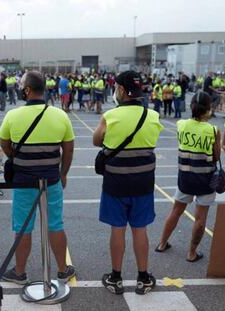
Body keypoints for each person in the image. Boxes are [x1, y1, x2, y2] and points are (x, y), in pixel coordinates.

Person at [0, 71, 76, 285]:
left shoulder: (12, 116)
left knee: (23, 227)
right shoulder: (60, 115)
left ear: (27, 90)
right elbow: (68, 150)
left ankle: (20, 272)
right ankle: (62, 269)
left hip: (24, 181)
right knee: (55, 224)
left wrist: (16, 156)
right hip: (51, 179)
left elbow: (4, 143)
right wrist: (63, 174)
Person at [93, 71, 163, 295]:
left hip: (115, 184)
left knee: (118, 229)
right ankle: (143, 277)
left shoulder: (110, 116)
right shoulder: (152, 116)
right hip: (143, 183)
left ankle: (116, 277)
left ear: (121, 90)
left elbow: (97, 140)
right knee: (140, 229)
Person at [157, 91, 220, 262]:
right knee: (200, 218)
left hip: (185, 177)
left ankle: (162, 243)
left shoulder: (181, 124)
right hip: (206, 181)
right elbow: (216, 156)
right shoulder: (213, 130)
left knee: (176, 211)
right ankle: (191, 253)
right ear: (208, 109)